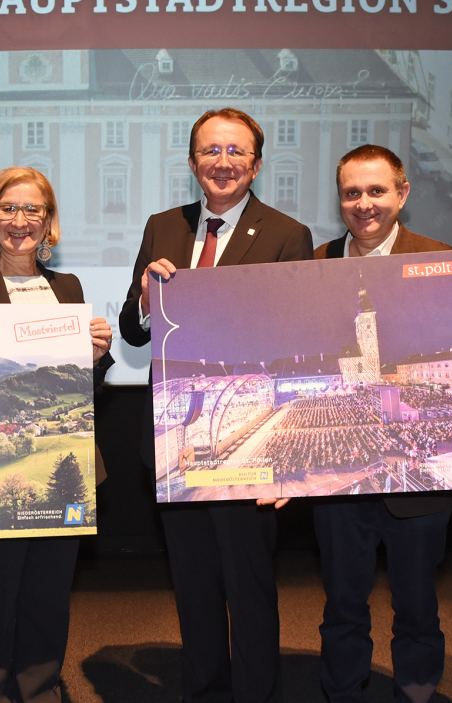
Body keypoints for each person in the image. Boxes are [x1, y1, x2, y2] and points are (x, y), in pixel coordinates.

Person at [118, 107, 312, 702]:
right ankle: (203, 689)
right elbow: (132, 331)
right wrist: (150, 300)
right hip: (178, 435)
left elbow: (299, 345)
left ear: (255, 163)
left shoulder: (286, 234)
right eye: (210, 151)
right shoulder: (162, 226)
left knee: (248, 581)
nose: (222, 162)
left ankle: (255, 692)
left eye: (235, 152)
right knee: (194, 580)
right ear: (192, 161)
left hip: (248, 432)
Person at [0, 166, 114, 703]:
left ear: (48, 220)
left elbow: (81, 389)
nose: (21, 221)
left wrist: (96, 359)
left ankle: (40, 686)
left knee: (49, 589)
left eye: (32, 210)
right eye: (8, 209)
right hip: (0, 456)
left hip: (63, 456)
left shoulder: (69, 288)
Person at [312, 144, 452, 703]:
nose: (364, 203)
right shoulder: (316, 264)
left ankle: (416, 692)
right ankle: (341, 691)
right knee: (342, 600)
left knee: (417, 601)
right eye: (352, 192)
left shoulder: (440, 258)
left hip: (418, 473)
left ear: (402, 193)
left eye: (376, 191)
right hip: (341, 474)